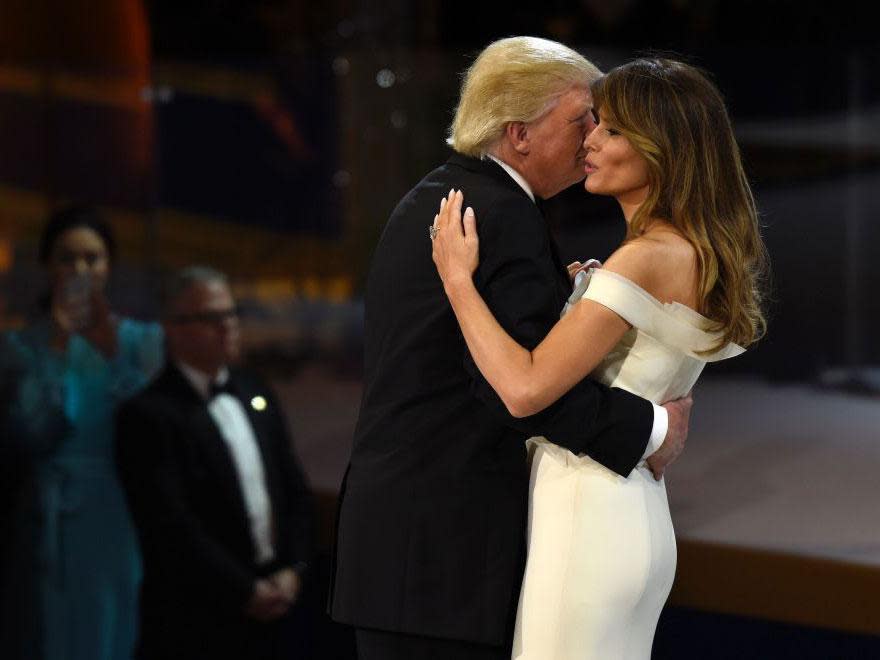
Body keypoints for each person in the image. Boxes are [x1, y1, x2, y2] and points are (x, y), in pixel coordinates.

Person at [329, 37, 694, 660]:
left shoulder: (447, 194)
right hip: (444, 561)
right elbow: (518, 389)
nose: (591, 138)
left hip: (409, 554)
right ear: (520, 133)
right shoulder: (497, 216)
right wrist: (653, 429)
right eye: (582, 118)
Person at [430, 57, 769, 659]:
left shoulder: (639, 260)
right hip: (636, 519)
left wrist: (459, 281)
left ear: (661, 150)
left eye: (611, 130)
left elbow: (524, 390)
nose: (589, 139)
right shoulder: (686, 250)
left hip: (585, 522)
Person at [114, 266, 314, 660]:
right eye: (211, 317)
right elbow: (170, 528)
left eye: (231, 313)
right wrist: (245, 591)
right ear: (172, 327)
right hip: (197, 621)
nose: (228, 326)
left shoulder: (256, 390)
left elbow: (293, 488)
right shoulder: (146, 416)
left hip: (278, 608)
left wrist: (294, 570)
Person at [0, 205, 164, 660]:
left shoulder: (140, 340)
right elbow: (26, 438)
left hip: (117, 511)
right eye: (68, 258)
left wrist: (113, 354)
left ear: (109, 266)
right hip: (45, 514)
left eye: (93, 258)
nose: (81, 270)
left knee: (113, 628)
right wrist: (55, 348)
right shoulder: (19, 346)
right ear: (47, 266)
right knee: (47, 633)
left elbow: (157, 434)